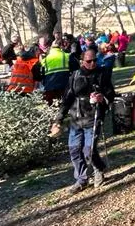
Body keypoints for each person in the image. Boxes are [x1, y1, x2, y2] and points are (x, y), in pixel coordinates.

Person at [49, 45, 116, 193]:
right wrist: (58, 119)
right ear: (82, 61)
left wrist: (102, 98)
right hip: (76, 118)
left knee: (89, 150)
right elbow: (66, 99)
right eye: (89, 61)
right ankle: (81, 179)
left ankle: (99, 169)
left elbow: (111, 94)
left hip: (94, 116)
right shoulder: (75, 76)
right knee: (74, 150)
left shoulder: (102, 74)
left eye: (95, 60)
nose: (92, 64)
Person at [39, 34, 71, 105]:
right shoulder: (67, 56)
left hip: (50, 87)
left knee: (52, 106)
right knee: (65, 105)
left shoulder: (45, 59)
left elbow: (42, 74)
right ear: (61, 47)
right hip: (64, 85)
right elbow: (76, 68)